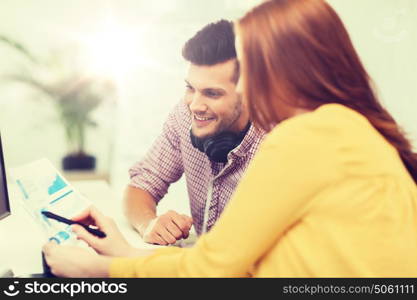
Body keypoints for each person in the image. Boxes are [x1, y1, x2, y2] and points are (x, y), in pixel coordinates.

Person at [43, 0, 417, 277]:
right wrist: (125, 253)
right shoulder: (345, 128)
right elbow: (235, 266)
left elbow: (213, 270)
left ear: (282, 73)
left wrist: (100, 271)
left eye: (250, 71)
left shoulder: (307, 137)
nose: (250, 87)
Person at [123, 19, 264, 245]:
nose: (195, 105)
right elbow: (141, 185)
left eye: (212, 93)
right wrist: (148, 223)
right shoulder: (184, 115)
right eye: (190, 88)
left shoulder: (280, 141)